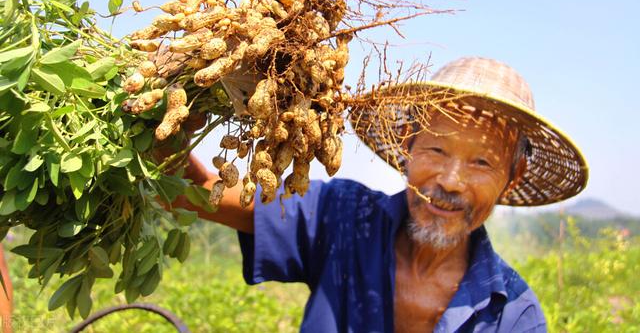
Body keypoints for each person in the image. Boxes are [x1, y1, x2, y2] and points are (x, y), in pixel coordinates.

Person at [169, 57, 589, 332]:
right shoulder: (341, 217)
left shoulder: (514, 314)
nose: (451, 181)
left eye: (481, 164)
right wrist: (173, 113)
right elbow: (192, 193)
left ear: (511, 177)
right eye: (436, 150)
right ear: (406, 145)